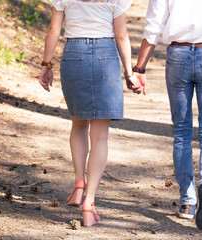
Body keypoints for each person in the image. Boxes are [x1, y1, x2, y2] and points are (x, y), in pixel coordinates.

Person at [131, 0, 202, 229]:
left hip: (178, 55)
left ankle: (187, 201)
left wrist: (139, 69)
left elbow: (153, 26)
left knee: (182, 132)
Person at [39, 0, 140, 227]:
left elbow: (54, 30)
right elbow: (121, 36)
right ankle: (90, 202)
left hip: (74, 54)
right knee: (100, 136)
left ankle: (79, 183)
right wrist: (130, 72)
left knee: (78, 124)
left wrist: (46, 64)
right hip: (106, 55)